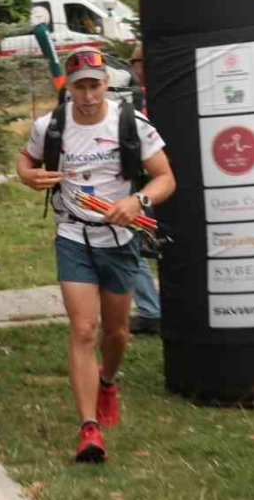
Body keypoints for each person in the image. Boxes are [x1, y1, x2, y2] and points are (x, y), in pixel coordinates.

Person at [16, 46, 175, 464]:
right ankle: (89, 428)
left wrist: (137, 201)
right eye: (79, 87)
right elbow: (25, 161)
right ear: (69, 87)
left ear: (106, 84)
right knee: (84, 330)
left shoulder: (130, 123)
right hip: (73, 235)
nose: (87, 95)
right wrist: (29, 176)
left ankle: (107, 380)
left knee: (115, 333)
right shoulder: (50, 126)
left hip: (120, 239)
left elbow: (165, 178)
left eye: (94, 86)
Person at [126, 42, 162, 336]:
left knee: (135, 244)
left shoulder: (144, 101)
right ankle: (153, 309)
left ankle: (151, 311)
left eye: (136, 62)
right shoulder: (140, 97)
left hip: (153, 183)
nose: (133, 68)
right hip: (148, 183)